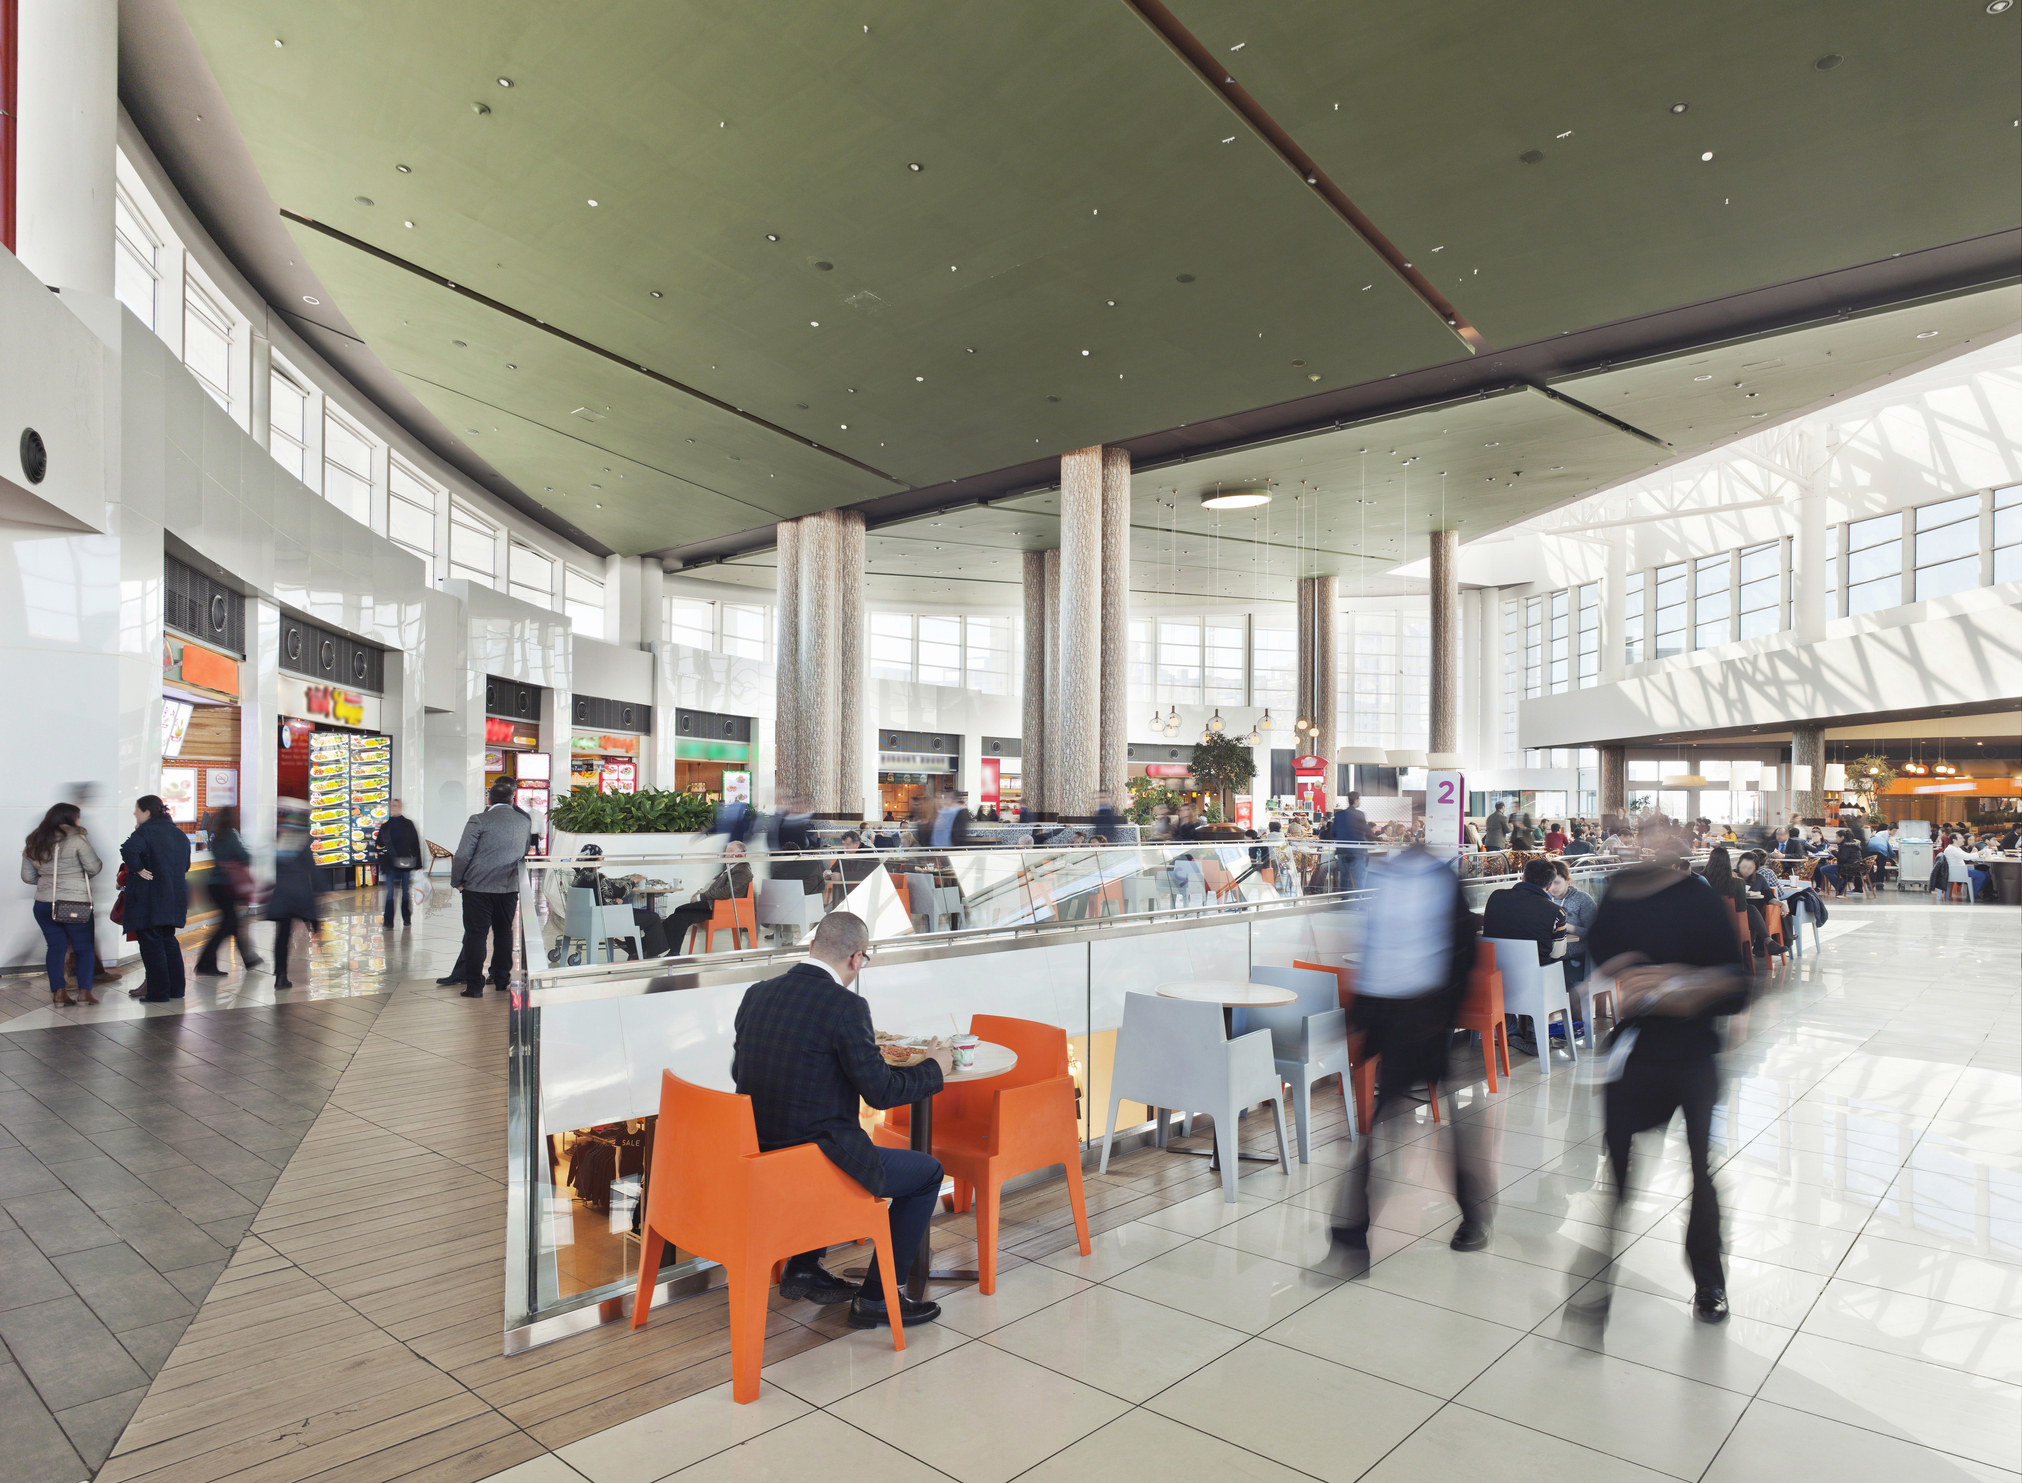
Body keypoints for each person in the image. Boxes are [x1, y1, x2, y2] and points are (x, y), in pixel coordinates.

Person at [732, 911, 950, 1328]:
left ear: (812, 947)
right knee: (927, 1173)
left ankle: (804, 1266)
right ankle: (879, 1298)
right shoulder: (847, 1007)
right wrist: (936, 1067)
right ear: (856, 958)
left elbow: (746, 1071)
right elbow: (881, 1092)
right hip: (817, 1164)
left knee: (812, 1129)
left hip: (762, 1161)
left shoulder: (757, 994)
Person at [1574, 833, 1752, 1326]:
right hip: (1634, 1054)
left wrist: (1682, 985)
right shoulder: (1615, 898)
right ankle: (1595, 1287)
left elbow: (1736, 984)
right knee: (1618, 1177)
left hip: (1692, 1053)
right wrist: (1607, 983)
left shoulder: (1696, 897)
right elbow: (1597, 969)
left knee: (1700, 1167)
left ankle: (1709, 1279)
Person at [1329, 844, 1490, 1262]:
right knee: (1387, 1126)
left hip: (1426, 1017)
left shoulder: (1442, 880)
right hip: (1393, 1019)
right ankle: (1351, 1239)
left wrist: (1441, 1016)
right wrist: (1364, 1014)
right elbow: (1374, 947)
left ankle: (1352, 1239)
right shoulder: (1384, 878)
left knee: (1421, 1124)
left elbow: (1463, 952)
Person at [451, 778, 533, 997]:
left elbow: (462, 855)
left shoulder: (479, 820)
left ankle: (475, 986)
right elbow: (524, 851)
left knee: (476, 934)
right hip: (508, 887)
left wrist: (457, 880)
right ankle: (501, 979)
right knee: (504, 932)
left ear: (488, 799)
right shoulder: (524, 821)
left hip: (478, 887)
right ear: (512, 799)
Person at [1482, 858, 1570, 1052]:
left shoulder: (1495, 897)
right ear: (1548, 885)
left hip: (1494, 981)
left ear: (1522, 876)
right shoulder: (1556, 912)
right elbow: (1558, 953)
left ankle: (1510, 1030)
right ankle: (1533, 1031)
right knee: (1551, 967)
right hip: (1533, 984)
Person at [21, 801, 103, 1008]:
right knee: (83, 948)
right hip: (74, 903)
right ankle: (84, 993)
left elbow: (27, 877)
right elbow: (94, 868)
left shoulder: (34, 841)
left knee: (55, 948)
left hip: (43, 904)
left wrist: (48, 881)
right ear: (70, 819)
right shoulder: (77, 840)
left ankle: (59, 994)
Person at [121, 794, 191, 1003]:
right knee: (168, 941)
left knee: (151, 945)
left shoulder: (145, 832)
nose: (135, 813)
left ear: (147, 812)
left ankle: (158, 992)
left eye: (137, 810)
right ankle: (176, 989)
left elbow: (128, 849)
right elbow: (186, 865)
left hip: (149, 900)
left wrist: (139, 869)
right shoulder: (178, 834)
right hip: (173, 899)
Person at [195, 806, 261, 976]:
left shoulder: (217, 836)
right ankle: (204, 963)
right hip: (226, 886)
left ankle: (248, 959)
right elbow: (243, 856)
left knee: (232, 923)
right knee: (228, 925)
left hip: (217, 886)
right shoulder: (231, 835)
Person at [265, 801, 322, 989]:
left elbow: (273, 866)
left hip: (281, 894)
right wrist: (321, 890)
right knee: (312, 920)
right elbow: (311, 869)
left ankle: (280, 974)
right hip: (299, 893)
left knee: (282, 935)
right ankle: (319, 937)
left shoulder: (280, 839)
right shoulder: (302, 839)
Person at [662, 841, 754, 952]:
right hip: (712, 904)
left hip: (719, 908)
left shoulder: (742, 871)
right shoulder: (730, 868)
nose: (726, 855)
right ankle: (656, 945)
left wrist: (701, 897)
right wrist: (698, 894)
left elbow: (726, 892)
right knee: (677, 914)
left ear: (740, 855)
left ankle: (670, 951)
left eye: (729, 852)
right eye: (726, 852)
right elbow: (713, 885)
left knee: (680, 916)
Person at [1548, 858, 1597, 991]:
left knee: (1565, 982)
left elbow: (1595, 933)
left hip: (1577, 958)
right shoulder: (1544, 898)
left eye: (1557, 882)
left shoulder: (1582, 900)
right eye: (1549, 883)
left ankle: (1574, 1011)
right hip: (1549, 956)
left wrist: (1566, 926)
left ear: (1568, 880)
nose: (1552, 887)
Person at [373, 799, 424, 929]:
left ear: (400, 807)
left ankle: (406, 918)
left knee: (405, 892)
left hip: (406, 863)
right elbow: (379, 843)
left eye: (395, 806)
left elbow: (415, 844)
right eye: (391, 806)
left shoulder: (408, 824)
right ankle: (388, 921)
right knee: (390, 892)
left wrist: (418, 863)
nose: (393, 808)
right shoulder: (385, 826)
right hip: (390, 864)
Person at [1334, 792, 1370, 892]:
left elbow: (1333, 833)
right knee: (1359, 879)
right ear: (1355, 800)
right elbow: (1367, 832)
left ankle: (1344, 901)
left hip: (1342, 851)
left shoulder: (1339, 815)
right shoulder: (1360, 814)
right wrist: (1376, 839)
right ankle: (1359, 902)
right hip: (1357, 852)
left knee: (1344, 878)